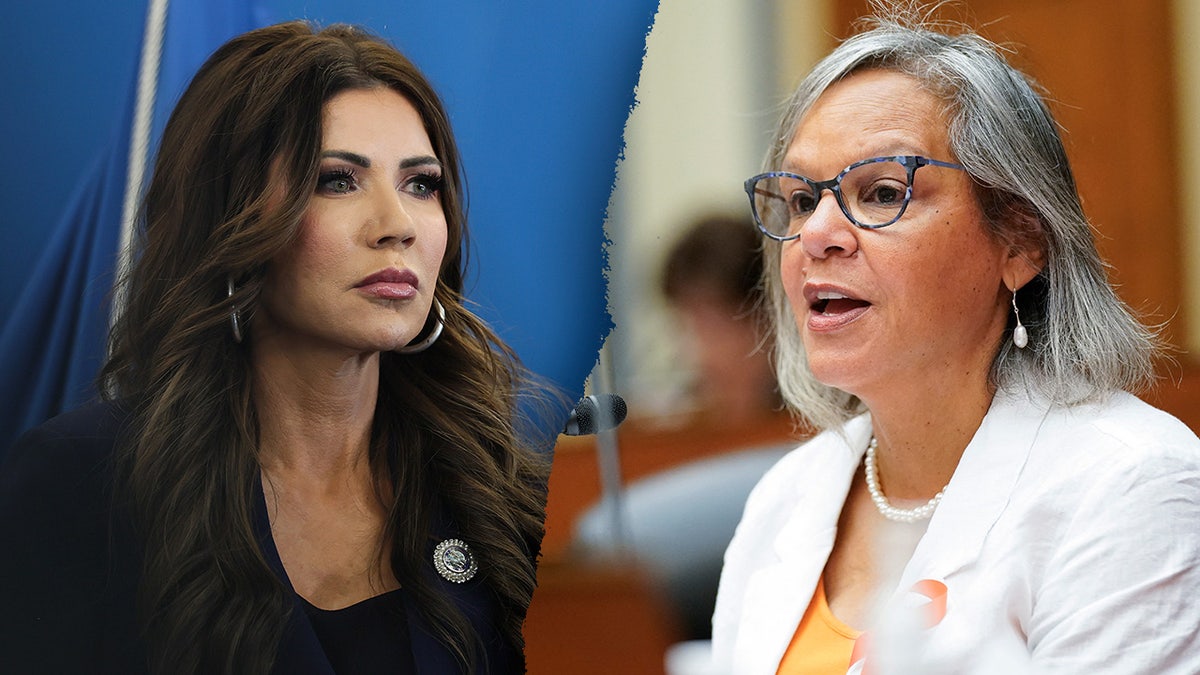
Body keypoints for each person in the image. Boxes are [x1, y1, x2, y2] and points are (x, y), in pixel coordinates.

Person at [0, 21, 549, 674]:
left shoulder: (498, 495)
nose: (397, 225)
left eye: (421, 184)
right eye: (337, 180)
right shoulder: (81, 481)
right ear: (228, 215)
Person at [712, 8, 1200, 675]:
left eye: (882, 192)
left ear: (1020, 240)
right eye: (800, 200)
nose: (817, 234)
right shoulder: (785, 497)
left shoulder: (1132, 486)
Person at [660, 214, 779, 428]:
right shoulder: (680, 420)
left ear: (765, 319)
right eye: (684, 327)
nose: (695, 353)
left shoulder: (819, 431)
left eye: (711, 326)